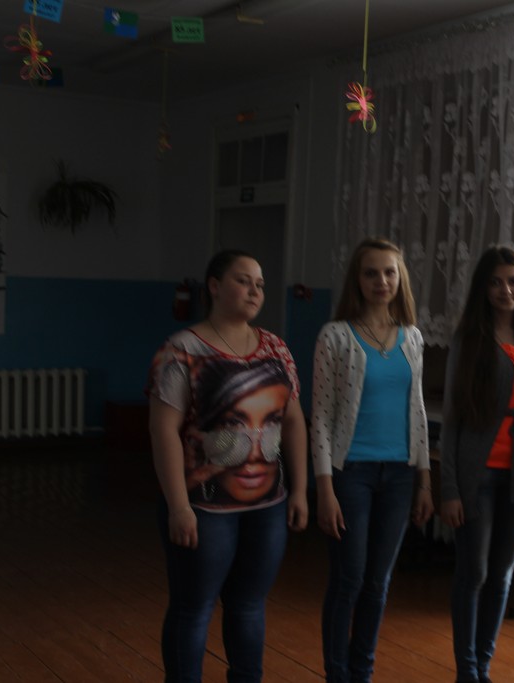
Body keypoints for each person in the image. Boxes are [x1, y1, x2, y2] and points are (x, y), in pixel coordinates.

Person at [147, 249, 309, 683]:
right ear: (215, 287)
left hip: (267, 506)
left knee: (249, 605)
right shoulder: (182, 350)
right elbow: (164, 432)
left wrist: (299, 490)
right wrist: (179, 506)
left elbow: (293, 422)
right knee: (193, 607)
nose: (255, 291)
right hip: (203, 508)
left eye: (260, 284)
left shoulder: (276, 348)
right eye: (243, 280)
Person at [311, 237, 435, 683]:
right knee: (350, 578)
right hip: (352, 474)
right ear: (357, 280)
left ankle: (361, 671)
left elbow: (417, 410)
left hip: (400, 475)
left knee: (378, 583)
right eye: (371, 273)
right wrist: (324, 489)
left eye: (389, 272)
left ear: (400, 279)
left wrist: (424, 480)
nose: (381, 281)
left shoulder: (412, 337)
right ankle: (337, 673)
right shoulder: (335, 336)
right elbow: (320, 417)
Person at [439, 246, 514, 683]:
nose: (505, 290)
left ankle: (483, 665)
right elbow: (452, 418)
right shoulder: (469, 339)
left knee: (502, 576)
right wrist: (449, 489)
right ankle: (466, 669)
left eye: (513, 281)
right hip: (478, 474)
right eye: (495, 282)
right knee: (474, 572)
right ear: (483, 288)